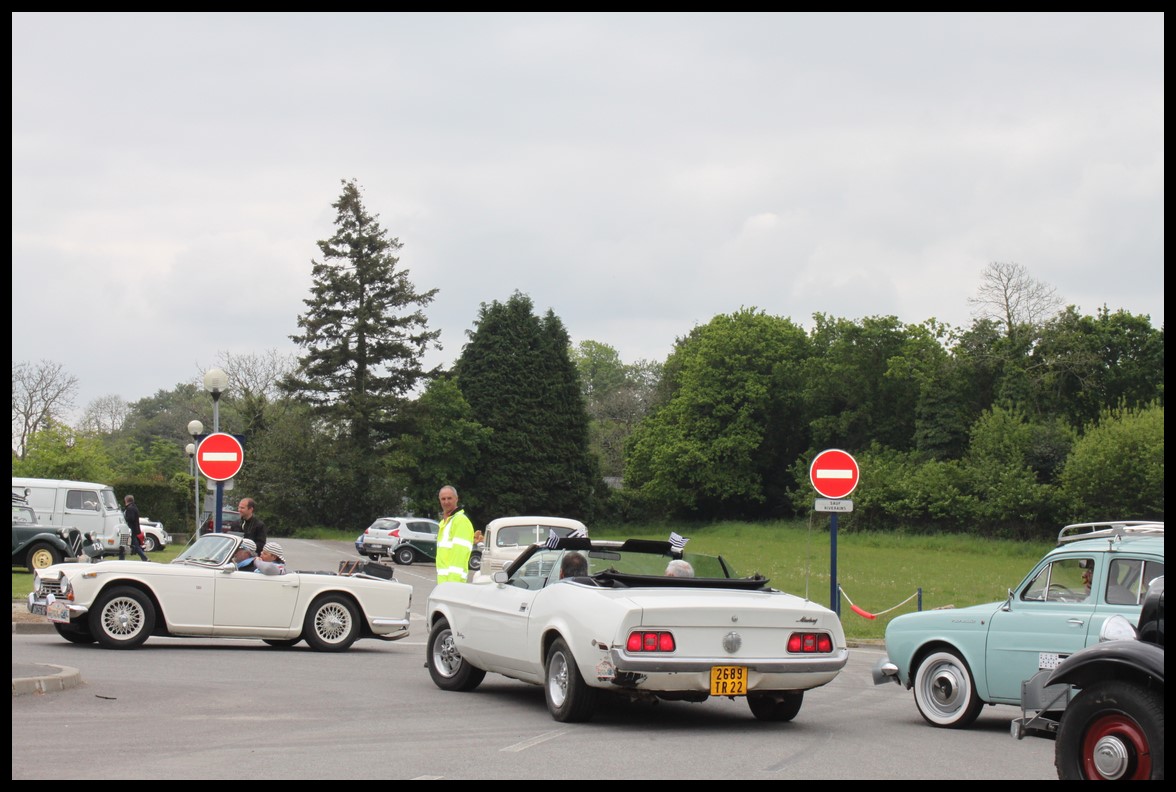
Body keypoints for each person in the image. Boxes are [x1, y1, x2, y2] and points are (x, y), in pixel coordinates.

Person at [435, 485, 475, 583]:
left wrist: (452, 584)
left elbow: (459, 555)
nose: (446, 502)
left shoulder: (460, 521)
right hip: (444, 583)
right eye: (443, 499)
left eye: (449, 498)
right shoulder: (445, 523)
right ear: (439, 500)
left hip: (453, 583)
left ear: (456, 499)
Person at [119, 495, 149, 561]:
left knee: (126, 544)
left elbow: (131, 518)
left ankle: (144, 558)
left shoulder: (130, 508)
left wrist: (124, 519)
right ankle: (144, 557)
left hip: (130, 529)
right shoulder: (133, 507)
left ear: (126, 500)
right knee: (129, 544)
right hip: (133, 529)